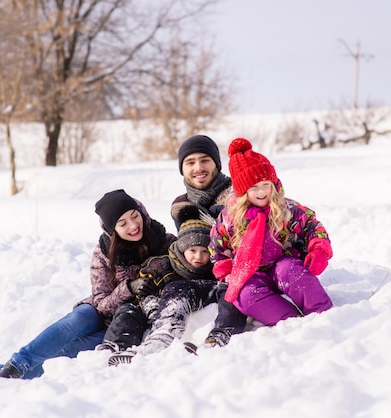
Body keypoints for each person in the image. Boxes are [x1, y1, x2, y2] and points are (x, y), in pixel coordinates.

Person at [0, 189, 176, 382]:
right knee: (78, 319)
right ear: (112, 230)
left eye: (134, 216)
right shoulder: (103, 253)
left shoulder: (163, 241)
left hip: (124, 326)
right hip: (99, 313)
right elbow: (100, 302)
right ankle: (16, 365)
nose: (133, 225)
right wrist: (128, 288)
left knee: (66, 354)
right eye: (123, 223)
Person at [209, 137, 333, 327]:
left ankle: (322, 313)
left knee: (289, 271)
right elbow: (217, 248)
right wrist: (226, 271)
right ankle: (291, 323)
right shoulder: (229, 218)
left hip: (283, 265)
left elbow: (313, 227)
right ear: (243, 192)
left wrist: (319, 251)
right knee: (245, 296)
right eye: (254, 187)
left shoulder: (285, 208)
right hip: (251, 273)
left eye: (266, 184)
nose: (262, 192)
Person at [106, 205, 218, 365]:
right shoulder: (162, 266)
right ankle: (113, 348)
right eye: (192, 250)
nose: (198, 256)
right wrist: (153, 309)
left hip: (188, 318)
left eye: (204, 251)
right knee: (128, 311)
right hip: (159, 315)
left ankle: (174, 343)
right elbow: (144, 292)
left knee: (182, 294)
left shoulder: (214, 271)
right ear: (181, 249)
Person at [171, 134, 246, 348]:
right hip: (201, 271)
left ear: (216, 163)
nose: (198, 167)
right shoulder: (179, 206)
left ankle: (221, 334)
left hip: (234, 269)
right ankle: (173, 336)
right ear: (182, 169)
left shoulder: (237, 194)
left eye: (205, 160)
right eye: (190, 162)